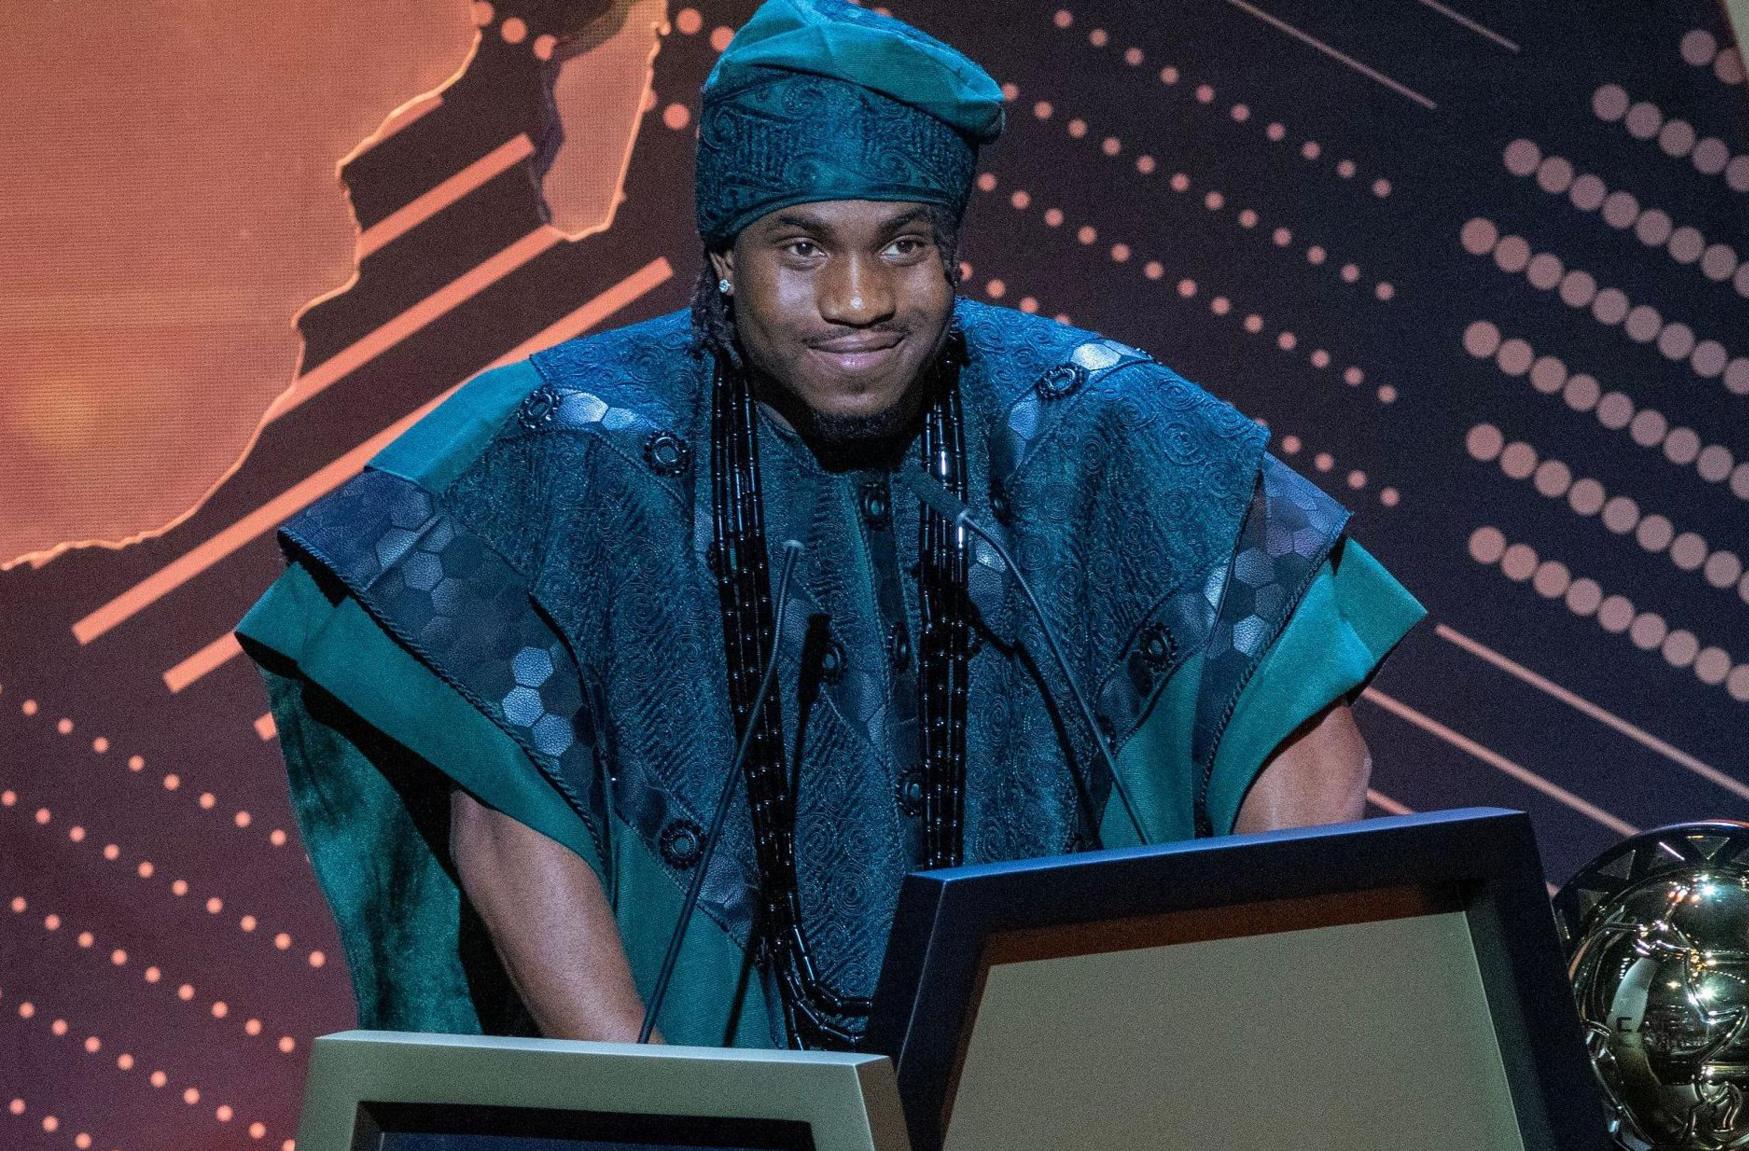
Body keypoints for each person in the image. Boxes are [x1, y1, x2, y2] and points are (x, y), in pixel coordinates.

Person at [236, 0, 1423, 1052]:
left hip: (1089, 1078)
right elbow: (508, 815)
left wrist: (1239, 1053)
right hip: (699, 1093)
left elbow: (1306, 754)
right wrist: (664, 1119)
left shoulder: (1104, 427)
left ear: (951, 253)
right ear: (720, 257)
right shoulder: (566, 446)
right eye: (800, 248)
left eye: (902, 245)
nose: (859, 301)